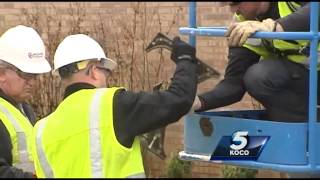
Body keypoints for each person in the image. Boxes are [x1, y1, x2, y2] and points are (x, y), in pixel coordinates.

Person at [31, 34, 197, 178]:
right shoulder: (112, 105)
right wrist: (185, 59)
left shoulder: (40, 131)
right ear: (94, 70)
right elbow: (179, 99)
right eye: (106, 72)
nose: (107, 79)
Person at [193, 2, 314, 123]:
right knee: (258, 76)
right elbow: (234, 84)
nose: (234, 10)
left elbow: (314, 10)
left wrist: (275, 27)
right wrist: (198, 102)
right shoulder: (243, 25)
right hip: (303, 83)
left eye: (235, 3)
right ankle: (300, 134)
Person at [0, 25, 52, 178]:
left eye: (35, 75)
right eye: (27, 74)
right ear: (2, 74)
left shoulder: (22, 109)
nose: (33, 82)